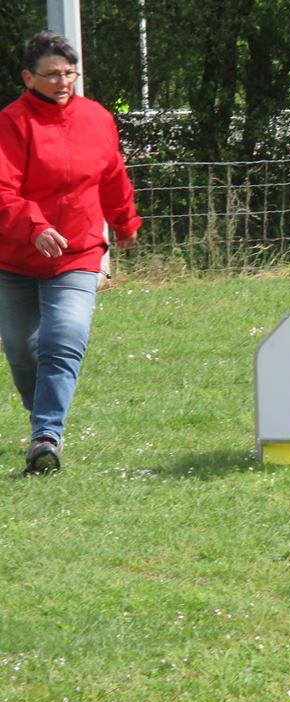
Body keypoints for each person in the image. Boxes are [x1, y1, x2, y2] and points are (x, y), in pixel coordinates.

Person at [0, 31, 141, 474]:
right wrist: (35, 225)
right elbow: (2, 189)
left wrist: (125, 222)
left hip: (78, 251)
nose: (63, 81)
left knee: (63, 338)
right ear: (28, 77)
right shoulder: (12, 122)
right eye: (52, 74)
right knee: (22, 351)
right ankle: (43, 412)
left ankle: (46, 436)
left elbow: (112, 174)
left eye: (69, 73)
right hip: (15, 257)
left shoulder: (97, 118)